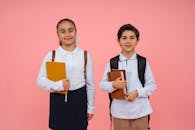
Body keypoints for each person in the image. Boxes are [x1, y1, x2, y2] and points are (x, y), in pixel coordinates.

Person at [37, 18, 95, 130]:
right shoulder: (52, 55)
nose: (67, 34)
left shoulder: (85, 55)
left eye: (70, 30)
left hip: (79, 100)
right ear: (58, 34)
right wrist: (59, 85)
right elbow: (40, 80)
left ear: (76, 31)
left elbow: (90, 84)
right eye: (62, 31)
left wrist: (91, 108)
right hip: (58, 99)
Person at [100, 24, 156, 130]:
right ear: (118, 41)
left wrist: (137, 93)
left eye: (132, 37)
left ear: (137, 40)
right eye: (124, 38)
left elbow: (152, 85)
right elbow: (102, 84)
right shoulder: (113, 62)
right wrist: (113, 84)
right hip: (119, 112)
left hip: (141, 111)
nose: (128, 41)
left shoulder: (142, 62)